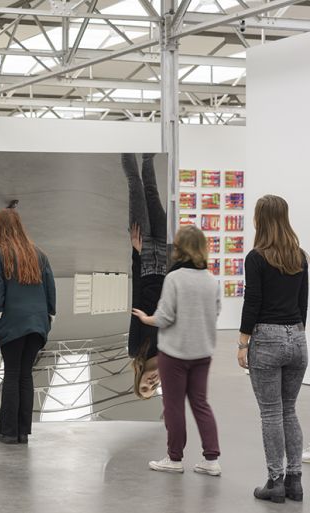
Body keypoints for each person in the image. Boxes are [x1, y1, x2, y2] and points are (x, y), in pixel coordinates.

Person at [133, 225, 221, 476]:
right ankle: (211, 459)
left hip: (174, 354)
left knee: (174, 406)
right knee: (201, 404)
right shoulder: (211, 280)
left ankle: (174, 459)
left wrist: (146, 318)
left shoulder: (174, 279)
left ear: (180, 249)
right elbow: (215, 313)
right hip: (202, 352)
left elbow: (165, 316)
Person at [237, 195, 308, 503]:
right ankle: (295, 482)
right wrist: (296, 333)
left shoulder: (256, 257)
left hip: (266, 339)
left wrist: (243, 342)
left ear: (260, 219)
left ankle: (275, 482)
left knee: (271, 412)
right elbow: (302, 302)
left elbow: (252, 302)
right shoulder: (301, 256)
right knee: (289, 410)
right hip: (297, 339)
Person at [0, 208, 56, 445]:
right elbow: (50, 288)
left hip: (12, 323)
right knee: (25, 375)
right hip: (38, 324)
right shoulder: (38, 254)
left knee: (12, 374)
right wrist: (49, 316)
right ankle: (23, 432)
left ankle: (7, 432)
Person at [122, 153, 166, 399]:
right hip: (166, 259)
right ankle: (148, 156)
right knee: (152, 192)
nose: (152, 384)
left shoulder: (135, 349)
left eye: (145, 387)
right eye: (154, 388)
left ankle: (124, 143)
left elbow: (136, 301)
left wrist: (137, 253)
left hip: (147, 262)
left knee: (135, 185)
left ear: (138, 379)